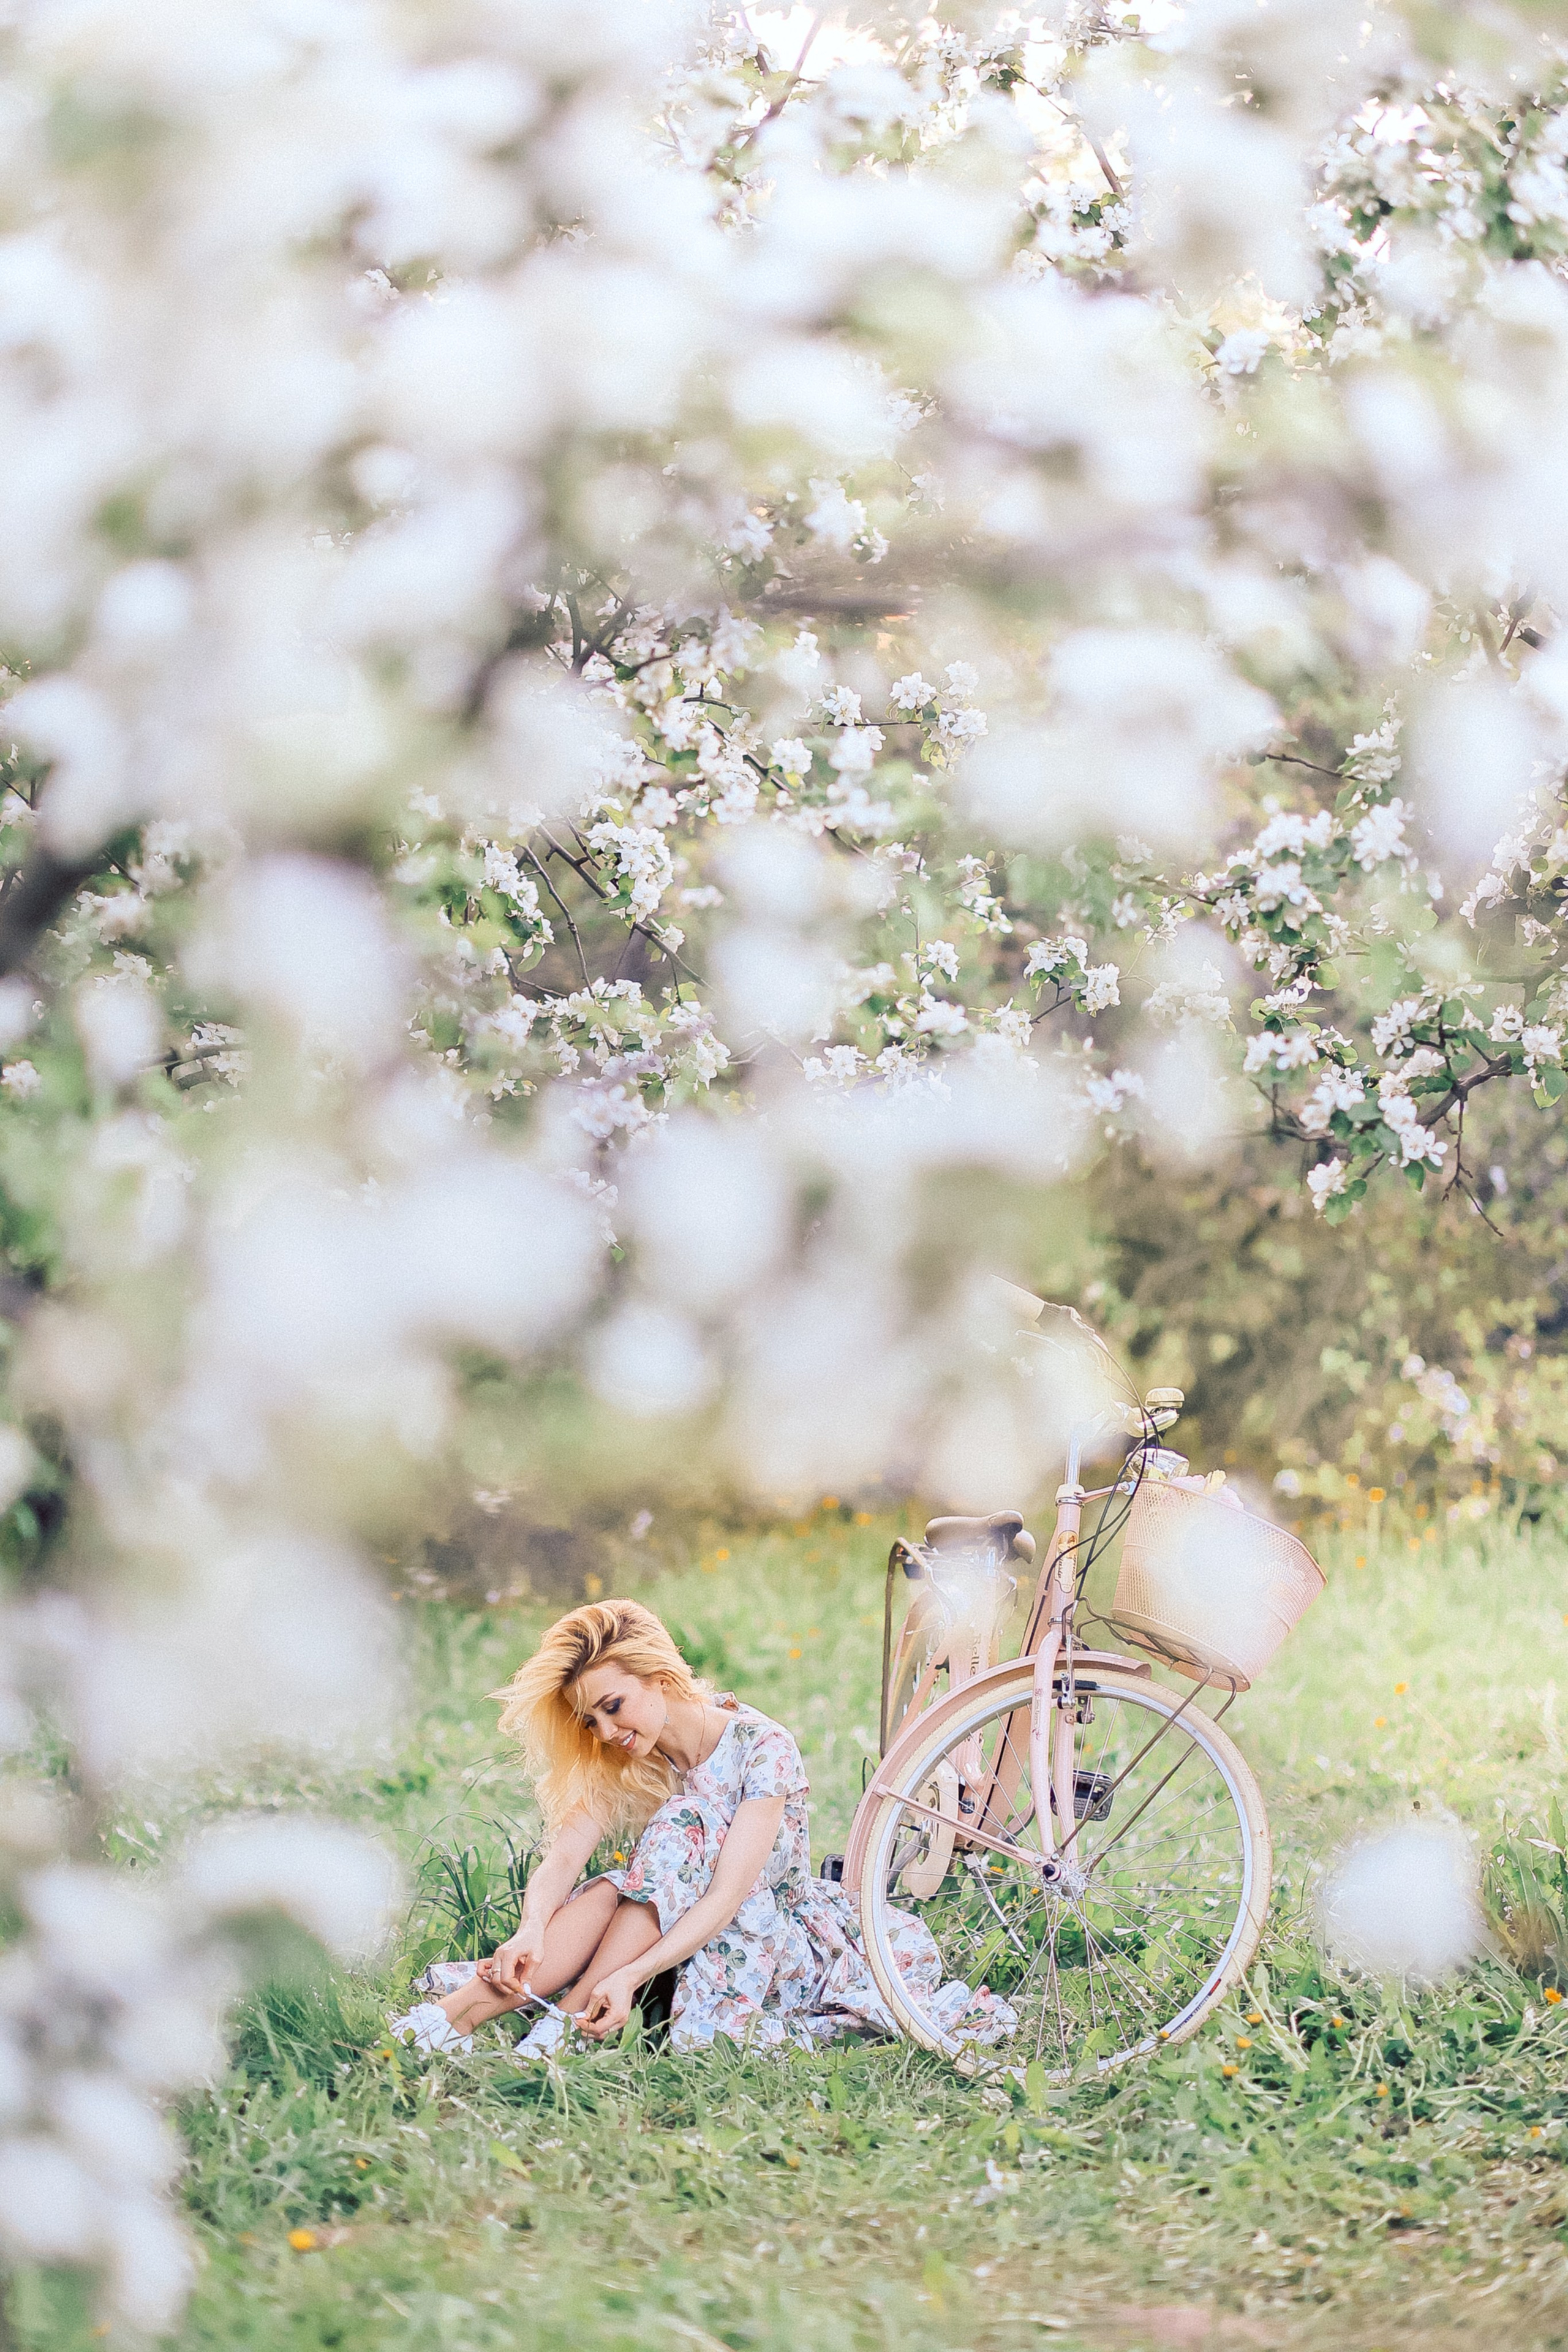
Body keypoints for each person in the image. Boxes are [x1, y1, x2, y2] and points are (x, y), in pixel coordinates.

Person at [388, 1597, 1014, 2058]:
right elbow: (565, 1858)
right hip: (660, 1931)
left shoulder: (761, 1746)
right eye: (591, 1721)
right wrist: (530, 1926)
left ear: (659, 1677)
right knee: (610, 1890)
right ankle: (452, 2020)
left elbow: (726, 1897)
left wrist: (629, 1976)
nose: (606, 1732)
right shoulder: (627, 1754)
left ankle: (562, 2022)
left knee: (682, 1821)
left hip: (763, 1939)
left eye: (613, 1707)